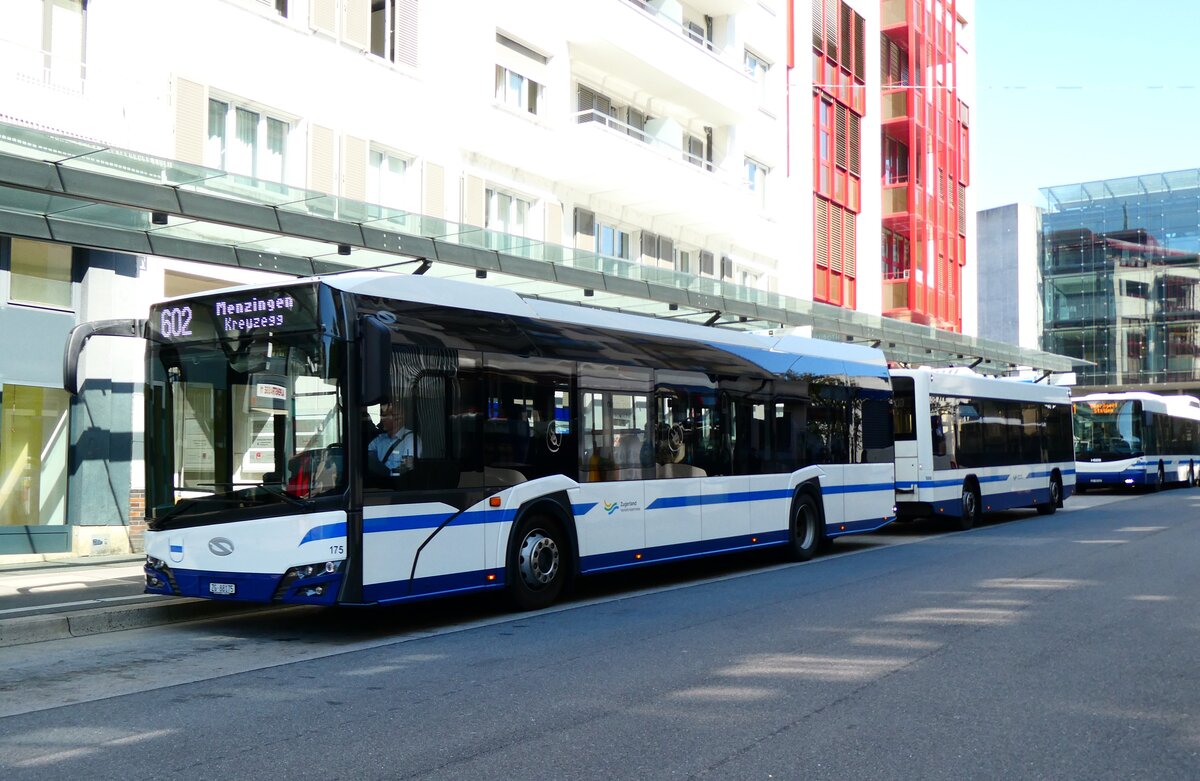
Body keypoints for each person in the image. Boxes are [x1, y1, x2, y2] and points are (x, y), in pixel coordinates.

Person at [369, 403, 422, 475]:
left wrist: (388, 474)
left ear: (398, 419)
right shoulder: (380, 439)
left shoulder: (410, 439)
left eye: (385, 416)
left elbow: (408, 467)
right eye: (382, 416)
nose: (382, 419)